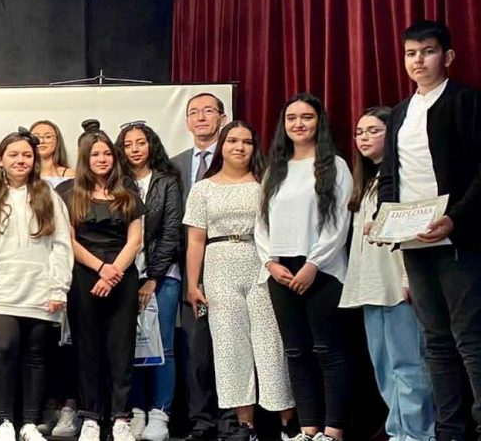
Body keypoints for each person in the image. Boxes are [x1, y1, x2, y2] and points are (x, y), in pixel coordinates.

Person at [377, 20, 481, 441]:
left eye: (428, 51)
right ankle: (450, 430)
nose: (418, 61)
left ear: (448, 56)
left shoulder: (467, 101)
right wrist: (384, 218)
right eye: (410, 53)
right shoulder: (400, 112)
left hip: (460, 238)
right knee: (435, 340)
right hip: (414, 241)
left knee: (470, 338)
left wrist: (456, 217)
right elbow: (390, 175)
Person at [182, 121, 293, 441]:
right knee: (230, 349)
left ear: (254, 147)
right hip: (219, 267)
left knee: (271, 345)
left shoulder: (266, 183)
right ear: (222, 146)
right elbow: (195, 240)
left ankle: (288, 424)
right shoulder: (203, 188)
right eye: (232, 141)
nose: (239, 147)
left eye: (246, 142)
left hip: (260, 263)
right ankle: (245, 427)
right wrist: (193, 284)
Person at [257, 94, 353, 441]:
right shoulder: (275, 170)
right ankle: (308, 428)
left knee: (328, 350)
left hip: (322, 270)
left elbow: (339, 222)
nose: (298, 124)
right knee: (295, 352)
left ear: (319, 122)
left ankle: (333, 430)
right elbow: (261, 223)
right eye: (291, 118)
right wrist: (270, 262)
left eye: (306, 117)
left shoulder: (336, 166)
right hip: (280, 271)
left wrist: (313, 264)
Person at [0, 130, 72, 441]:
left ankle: (28, 423)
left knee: (35, 356)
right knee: (5, 349)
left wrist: (58, 288)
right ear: (0, 160)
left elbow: (61, 245)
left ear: (34, 160)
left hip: (40, 289)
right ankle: (5, 422)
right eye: (13, 154)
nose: (20, 160)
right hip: (0, 289)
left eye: (26, 155)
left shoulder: (49, 197)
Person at [338, 107, 434, 441]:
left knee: (409, 364)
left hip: (396, 283)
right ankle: (398, 431)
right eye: (359, 132)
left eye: (373, 131)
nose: (363, 138)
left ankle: (419, 433)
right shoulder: (365, 182)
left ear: (391, 133)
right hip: (370, 285)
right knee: (384, 366)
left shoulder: (403, 177)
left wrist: (408, 279)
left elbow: (413, 229)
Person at [56, 130, 146, 441]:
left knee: (121, 349)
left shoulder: (128, 194)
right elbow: (69, 240)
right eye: (95, 154)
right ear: (85, 158)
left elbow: (135, 240)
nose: (102, 159)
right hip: (85, 275)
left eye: (107, 153)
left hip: (122, 275)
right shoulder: (71, 194)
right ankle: (91, 417)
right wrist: (100, 269)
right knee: (87, 348)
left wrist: (114, 272)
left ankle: (120, 417)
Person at [116, 123, 184, 441]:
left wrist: (154, 277)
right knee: (131, 346)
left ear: (151, 145)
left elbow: (171, 231)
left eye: (140, 142)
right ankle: (137, 411)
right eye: (128, 144)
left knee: (163, 347)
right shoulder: (118, 183)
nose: (134, 149)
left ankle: (160, 413)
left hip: (163, 276)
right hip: (127, 275)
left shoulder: (167, 181)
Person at [171, 94, 227, 441]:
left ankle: (233, 420)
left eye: (208, 111)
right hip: (188, 270)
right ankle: (201, 421)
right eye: (194, 112)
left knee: (232, 346)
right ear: (187, 121)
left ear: (223, 117)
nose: (201, 117)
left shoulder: (237, 154)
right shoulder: (174, 165)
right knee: (196, 351)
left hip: (232, 264)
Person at [27, 121, 76, 437]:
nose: (43, 141)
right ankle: (45, 407)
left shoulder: (73, 176)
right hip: (31, 274)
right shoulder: (21, 182)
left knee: (68, 344)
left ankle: (69, 408)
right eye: (38, 137)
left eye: (49, 136)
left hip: (66, 265)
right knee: (39, 345)